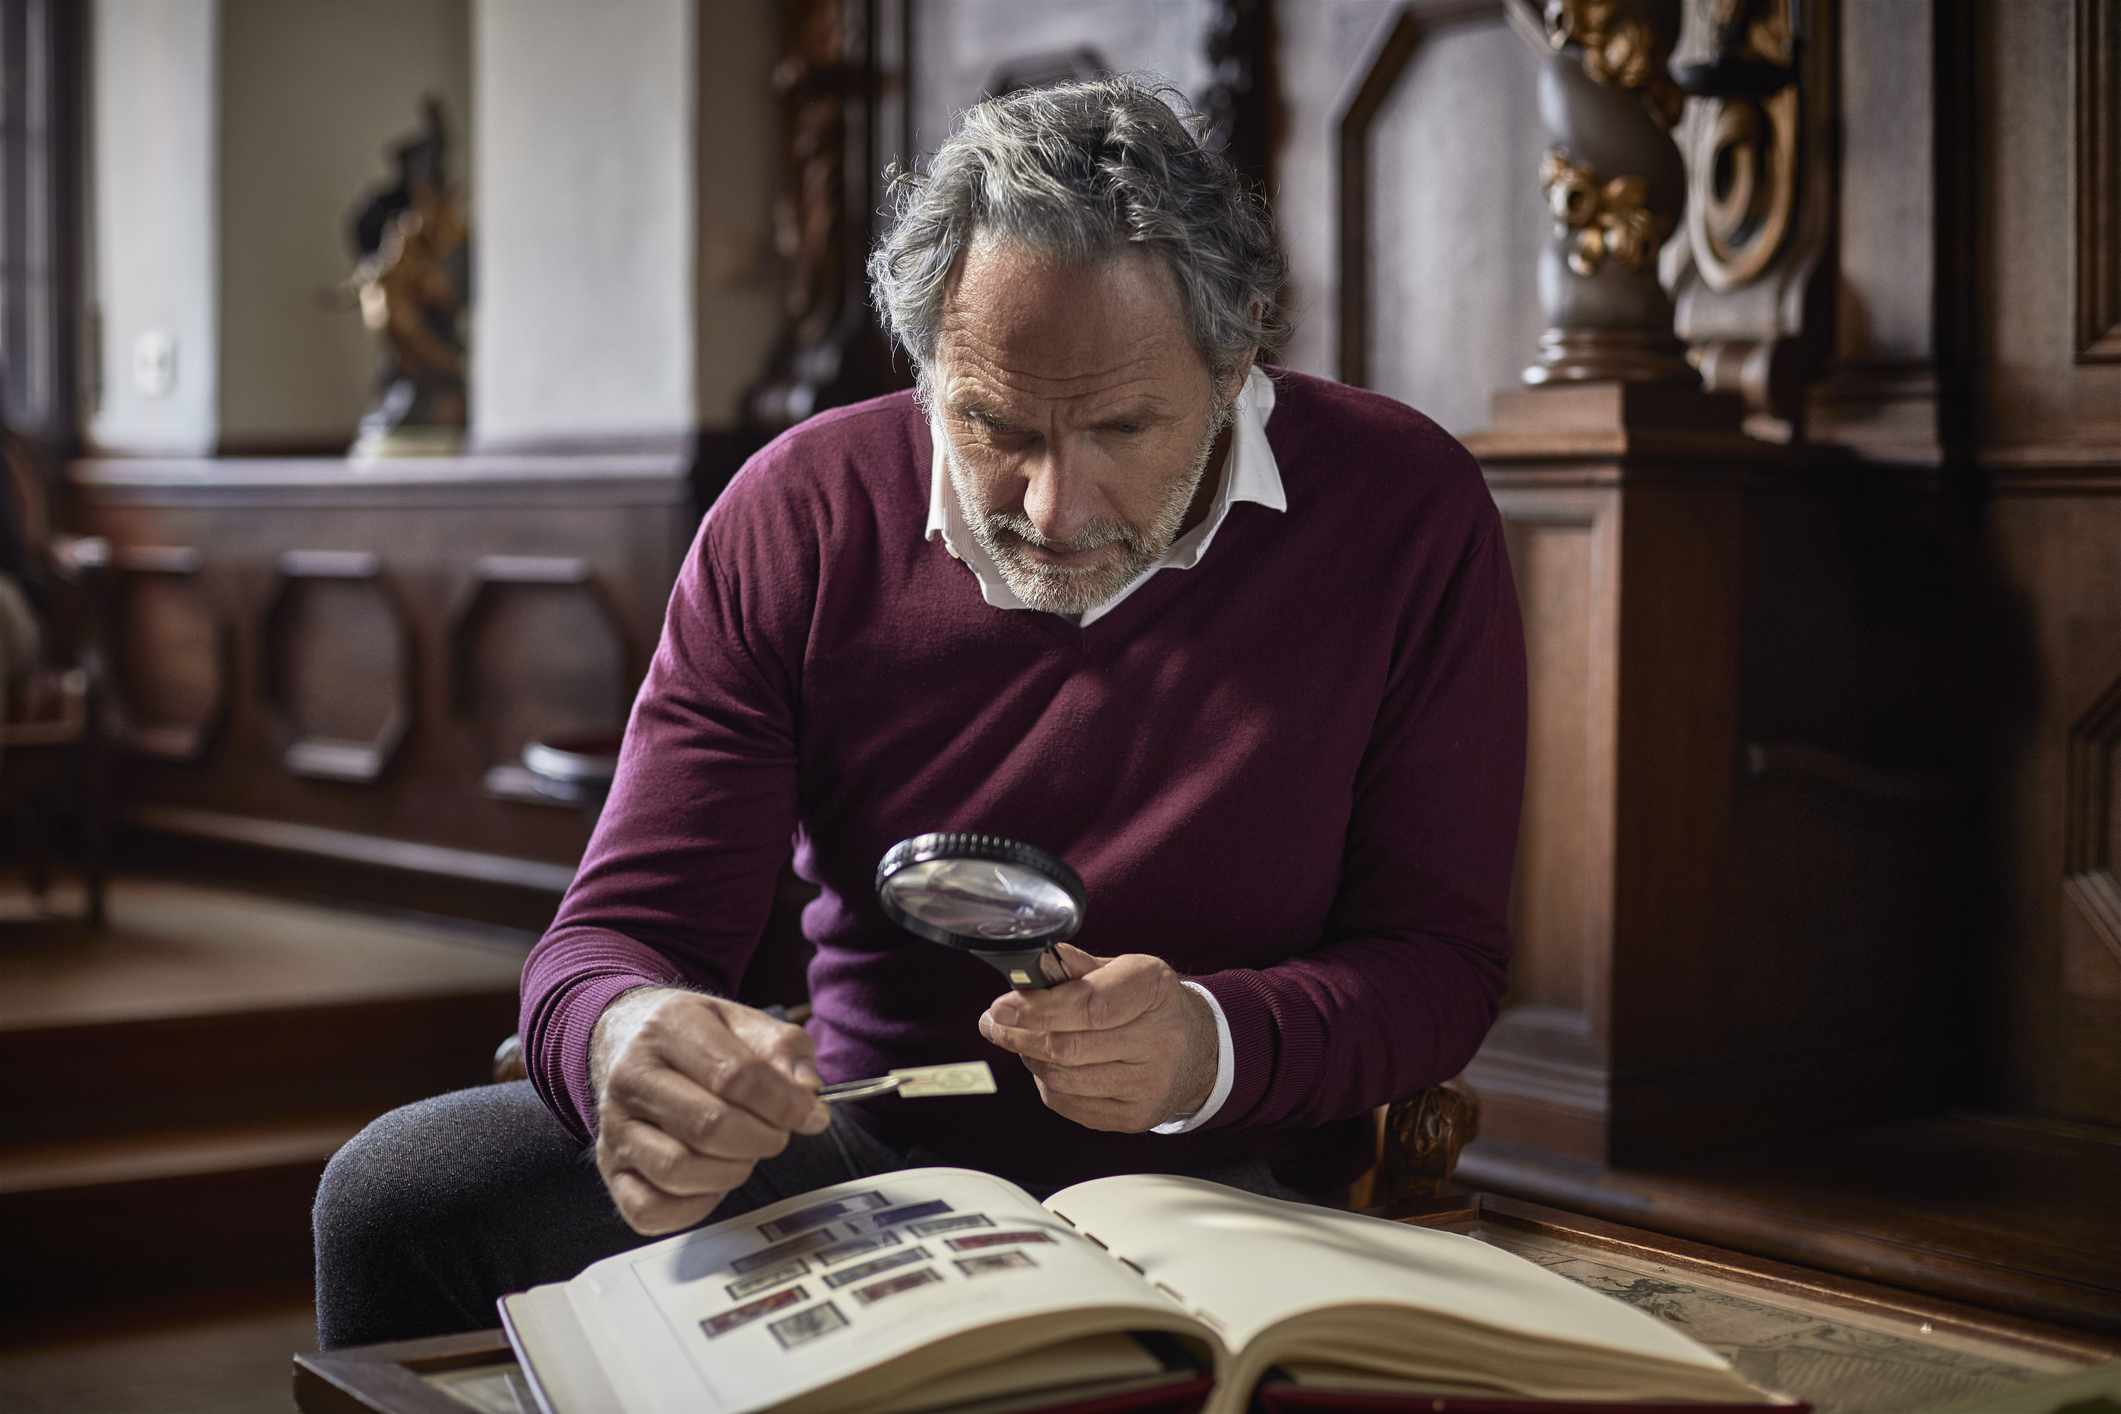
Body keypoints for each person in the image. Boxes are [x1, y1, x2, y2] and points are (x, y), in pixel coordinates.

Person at [313, 75, 1526, 1349]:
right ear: (925, 358)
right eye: (991, 424)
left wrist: (1204, 1048)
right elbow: (612, 938)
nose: (1055, 510)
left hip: (1235, 1177)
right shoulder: (799, 512)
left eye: (1122, 426)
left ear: (1237, 360)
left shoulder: (1402, 507)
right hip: (863, 1161)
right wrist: (626, 1042)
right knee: (399, 1198)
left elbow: (1438, 964)